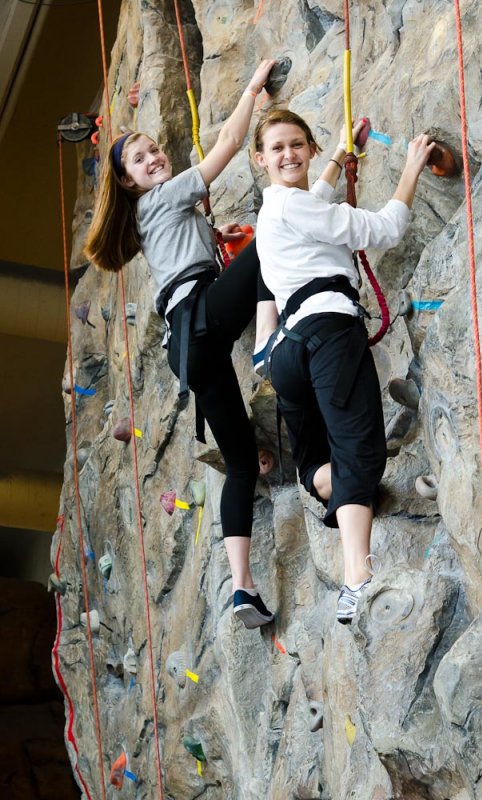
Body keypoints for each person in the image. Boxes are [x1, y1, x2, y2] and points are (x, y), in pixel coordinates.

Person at [84, 59, 278, 630]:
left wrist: (215, 243)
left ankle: (241, 589)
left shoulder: (155, 217)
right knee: (276, 238)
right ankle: (266, 341)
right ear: (128, 180)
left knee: (241, 465)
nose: (153, 158)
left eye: (152, 150)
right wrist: (252, 85)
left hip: (187, 346)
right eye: (139, 159)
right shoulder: (165, 197)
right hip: (199, 322)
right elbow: (231, 142)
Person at [253, 109, 435, 624]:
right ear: (259, 158)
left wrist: (338, 155)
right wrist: (411, 167)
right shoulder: (293, 205)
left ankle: (337, 487)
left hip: (289, 352)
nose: (288, 154)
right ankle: (358, 575)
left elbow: (314, 203)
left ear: (308, 149)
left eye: (296, 145)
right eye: (278, 147)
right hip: (329, 333)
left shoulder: (275, 212)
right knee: (360, 451)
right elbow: (384, 228)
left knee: (315, 466)